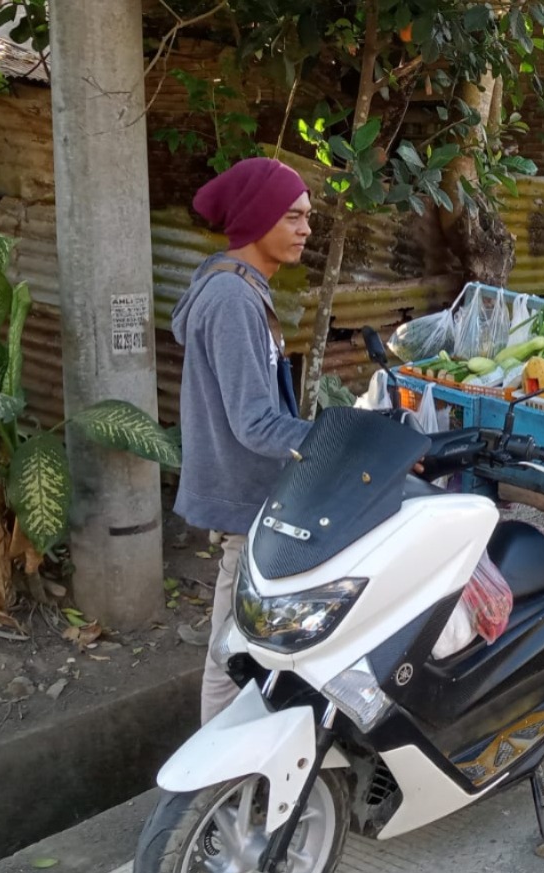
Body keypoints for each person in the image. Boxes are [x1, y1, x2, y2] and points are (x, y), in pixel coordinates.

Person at [176, 157, 315, 723]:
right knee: (230, 648)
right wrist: (329, 442)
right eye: (293, 217)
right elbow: (255, 422)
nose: (306, 229)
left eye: (308, 216)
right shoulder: (232, 300)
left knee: (243, 641)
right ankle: (209, 785)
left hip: (252, 493)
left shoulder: (238, 286)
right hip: (246, 498)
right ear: (258, 219)